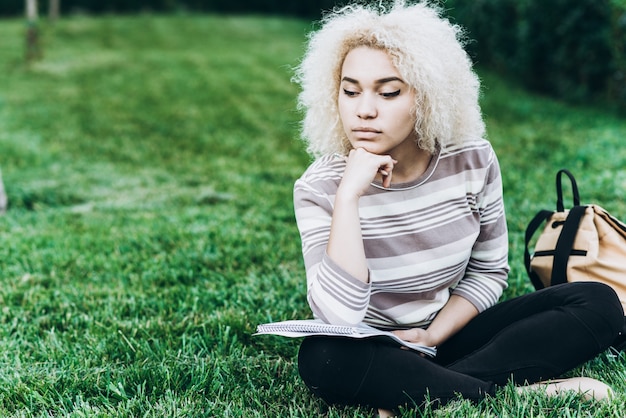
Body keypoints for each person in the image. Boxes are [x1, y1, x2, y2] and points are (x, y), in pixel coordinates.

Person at [291, 1, 624, 415]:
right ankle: (513, 394)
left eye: (389, 91)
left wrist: (431, 338)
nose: (364, 110)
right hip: (369, 347)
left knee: (598, 301)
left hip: (445, 333)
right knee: (323, 357)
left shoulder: (472, 159)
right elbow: (339, 317)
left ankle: (418, 390)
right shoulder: (320, 186)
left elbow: (488, 271)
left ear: (428, 96)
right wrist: (348, 197)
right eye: (350, 90)